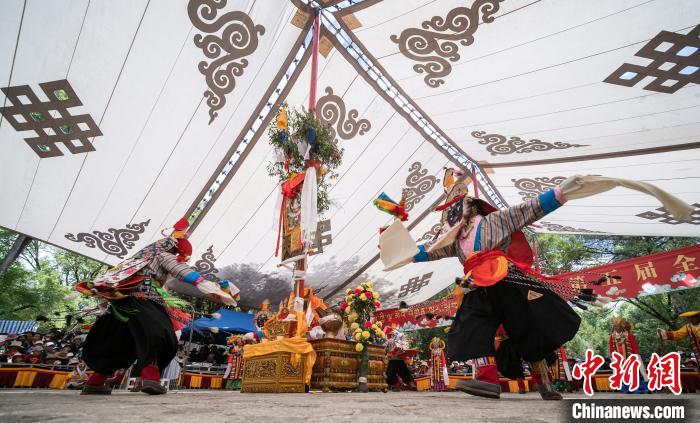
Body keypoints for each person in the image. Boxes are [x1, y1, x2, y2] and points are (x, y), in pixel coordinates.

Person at [76, 217, 238, 395]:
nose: (180, 258)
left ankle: (95, 382)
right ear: (174, 248)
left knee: (117, 340)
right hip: (143, 300)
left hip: (121, 303)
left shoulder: (138, 257)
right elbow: (183, 272)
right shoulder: (163, 255)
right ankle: (151, 379)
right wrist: (212, 288)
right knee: (159, 335)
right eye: (180, 254)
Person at [658, 310, 700, 380]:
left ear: (698, 317)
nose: (690, 320)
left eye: (692, 318)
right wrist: (665, 334)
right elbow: (678, 334)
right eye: (689, 318)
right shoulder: (688, 327)